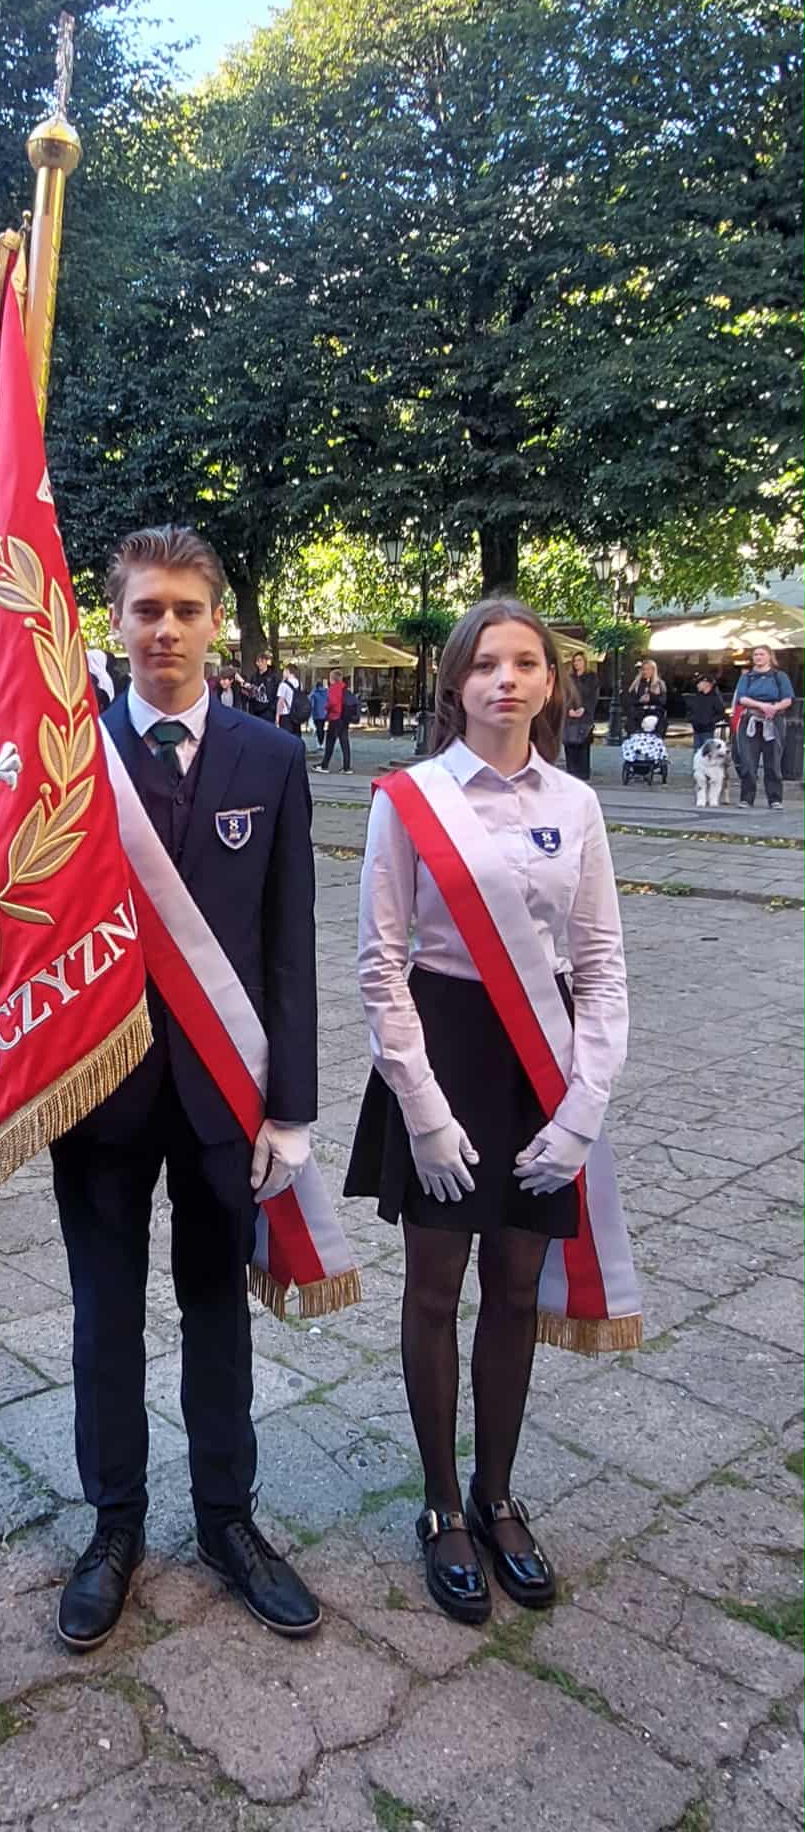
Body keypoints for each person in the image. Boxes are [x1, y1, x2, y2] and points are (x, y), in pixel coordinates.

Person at [52, 524, 321, 1651]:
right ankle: (113, 1524)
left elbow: (288, 941)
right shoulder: (67, 756)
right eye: (145, 609)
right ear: (113, 622)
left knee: (217, 1314)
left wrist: (292, 1107)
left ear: (215, 624)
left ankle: (226, 1520)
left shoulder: (272, 756)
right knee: (105, 1320)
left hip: (224, 1093)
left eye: (185, 610)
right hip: (98, 1095)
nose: (165, 629)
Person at [346, 599, 627, 1626]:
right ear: (455, 682)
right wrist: (420, 1110)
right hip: (443, 1047)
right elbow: (380, 964)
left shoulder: (577, 804)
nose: (506, 679)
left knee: (515, 1286)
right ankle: (439, 1505)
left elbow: (600, 962)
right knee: (434, 1289)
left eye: (526, 663)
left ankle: (497, 1494)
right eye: (485, 664)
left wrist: (584, 1105)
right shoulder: (409, 799)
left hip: (537, 1059)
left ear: (551, 682)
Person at [733, 645, 794, 809]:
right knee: (748, 761)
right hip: (751, 720)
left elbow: (788, 699)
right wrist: (762, 706)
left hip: (773, 721)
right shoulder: (747, 677)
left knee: (773, 761)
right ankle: (746, 798)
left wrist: (774, 708)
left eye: (762, 654)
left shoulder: (779, 676)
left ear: (769, 657)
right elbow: (742, 698)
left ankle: (775, 799)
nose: (758, 657)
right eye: (755, 654)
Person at [561, 651, 599, 782]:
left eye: (579, 660)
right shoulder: (569, 678)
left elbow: (593, 696)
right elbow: (565, 695)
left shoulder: (591, 677)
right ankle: (571, 773)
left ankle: (583, 773)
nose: (577, 663)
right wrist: (569, 709)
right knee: (570, 743)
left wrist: (584, 708)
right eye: (575, 661)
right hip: (570, 716)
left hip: (585, 716)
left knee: (583, 744)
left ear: (585, 662)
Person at [319, 669, 354, 773]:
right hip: (344, 717)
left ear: (332, 678)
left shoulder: (333, 688)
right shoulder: (344, 688)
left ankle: (324, 765)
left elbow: (332, 702)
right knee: (344, 742)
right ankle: (347, 767)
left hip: (335, 717)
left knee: (330, 742)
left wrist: (326, 707)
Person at [685, 671, 727, 752]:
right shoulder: (698, 696)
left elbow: (721, 713)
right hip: (697, 729)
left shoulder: (715, 697)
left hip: (707, 731)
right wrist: (692, 719)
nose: (697, 685)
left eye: (699, 683)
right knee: (697, 753)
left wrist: (710, 721)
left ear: (706, 684)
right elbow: (691, 709)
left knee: (707, 753)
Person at [626, 658, 667, 737]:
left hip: (655, 714)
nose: (645, 671)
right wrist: (640, 701)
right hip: (638, 714)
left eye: (648, 669)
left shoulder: (659, 683)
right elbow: (629, 700)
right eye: (644, 669)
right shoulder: (636, 684)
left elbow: (663, 701)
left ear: (653, 670)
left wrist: (652, 697)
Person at [276, 663, 308, 734]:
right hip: (296, 714)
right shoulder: (299, 683)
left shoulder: (283, 684)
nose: (283, 673)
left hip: (286, 715)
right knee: (296, 736)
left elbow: (280, 701)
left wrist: (277, 717)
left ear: (287, 671)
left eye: (284, 671)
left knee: (286, 737)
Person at [309, 679, 329, 748]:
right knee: (322, 728)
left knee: (318, 728)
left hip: (316, 714)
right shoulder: (326, 692)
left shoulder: (314, 693)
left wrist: (311, 713)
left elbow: (312, 704)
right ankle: (322, 743)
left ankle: (319, 742)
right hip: (324, 713)